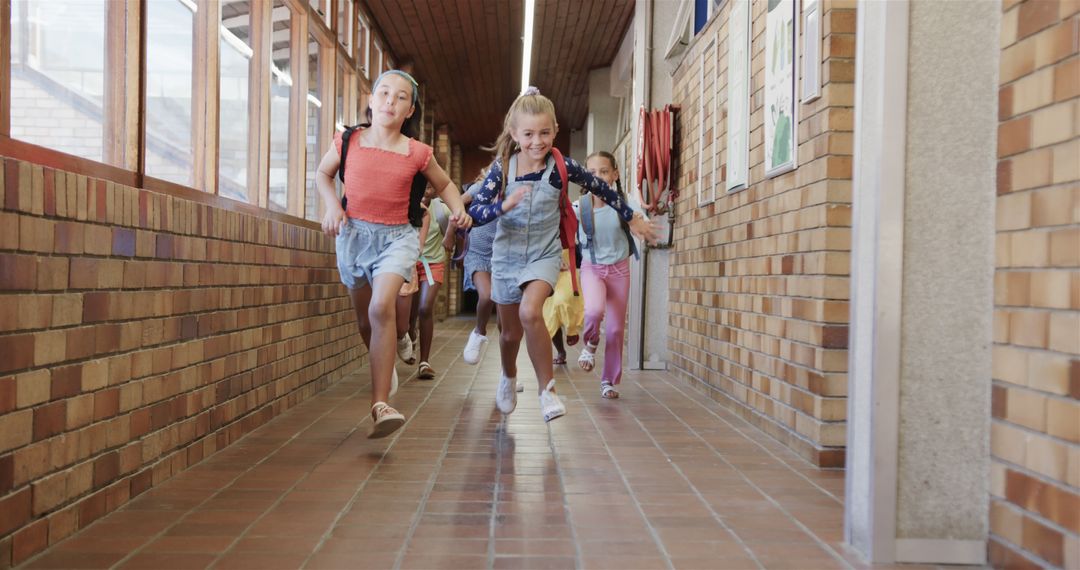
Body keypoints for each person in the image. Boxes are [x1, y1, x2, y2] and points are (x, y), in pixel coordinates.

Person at [468, 87, 657, 422]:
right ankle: (508, 376)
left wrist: (632, 217)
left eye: (544, 133)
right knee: (510, 333)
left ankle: (547, 391)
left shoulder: (561, 167)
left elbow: (602, 188)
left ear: (555, 130)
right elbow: (477, 212)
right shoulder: (502, 168)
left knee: (531, 312)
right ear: (514, 134)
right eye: (528, 134)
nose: (537, 142)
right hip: (506, 257)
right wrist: (503, 205)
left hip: (543, 254)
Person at [314, 69, 470, 438]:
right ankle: (387, 363)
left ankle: (380, 403)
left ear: (410, 109)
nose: (390, 101)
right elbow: (322, 175)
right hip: (353, 236)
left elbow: (445, 183)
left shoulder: (417, 151)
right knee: (366, 323)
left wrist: (458, 209)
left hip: (398, 237)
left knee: (381, 307)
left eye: (400, 97)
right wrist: (333, 206)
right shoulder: (348, 140)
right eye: (384, 93)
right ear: (371, 100)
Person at [576, 151, 642, 399]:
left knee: (615, 329)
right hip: (592, 268)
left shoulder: (625, 204)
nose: (599, 178)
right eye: (592, 173)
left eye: (604, 171)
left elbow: (639, 219)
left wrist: (642, 225)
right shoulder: (579, 208)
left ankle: (608, 381)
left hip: (620, 270)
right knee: (593, 311)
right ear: (584, 178)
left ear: (615, 174)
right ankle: (590, 343)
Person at [409, 195, 452, 379]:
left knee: (425, 308)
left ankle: (424, 362)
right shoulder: (407, 203)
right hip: (408, 263)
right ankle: (411, 334)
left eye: (430, 184)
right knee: (410, 314)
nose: (426, 189)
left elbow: (458, 219)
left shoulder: (442, 210)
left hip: (432, 263)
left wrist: (451, 236)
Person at [543, 249, 583, 365]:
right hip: (546, 267)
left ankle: (571, 329)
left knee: (563, 300)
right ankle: (561, 352)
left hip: (567, 265)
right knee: (549, 312)